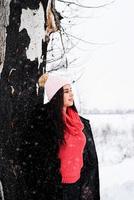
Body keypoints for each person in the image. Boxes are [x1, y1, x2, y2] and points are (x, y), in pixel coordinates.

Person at [20, 73, 100, 200]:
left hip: (78, 185)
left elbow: (87, 155)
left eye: (71, 90)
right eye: (66, 91)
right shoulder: (46, 122)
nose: (71, 94)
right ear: (56, 95)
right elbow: (37, 159)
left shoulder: (78, 122)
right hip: (58, 188)